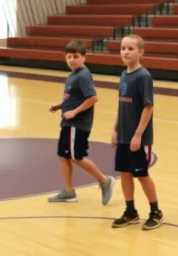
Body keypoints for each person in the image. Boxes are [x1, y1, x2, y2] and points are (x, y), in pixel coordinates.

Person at [48, 40, 115, 204]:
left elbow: (93, 98)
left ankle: (105, 180)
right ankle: (69, 192)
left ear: (84, 57)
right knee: (63, 156)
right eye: (69, 57)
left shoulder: (83, 75)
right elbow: (72, 98)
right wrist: (60, 106)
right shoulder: (73, 75)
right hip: (68, 123)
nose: (72, 60)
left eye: (76, 56)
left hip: (77, 124)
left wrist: (74, 112)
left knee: (76, 156)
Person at [111, 34, 164, 231]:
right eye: (123, 48)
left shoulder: (143, 77)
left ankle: (156, 212)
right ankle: (131, 211)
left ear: (141, 52)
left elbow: (148, 107)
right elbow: (121, 105)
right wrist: (116, 129)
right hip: (124, 135)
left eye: (130, 48)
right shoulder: (124, 75)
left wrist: (138, 135)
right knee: (124, 173)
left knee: (141, 175)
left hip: (138, 138)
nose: (125, 51)